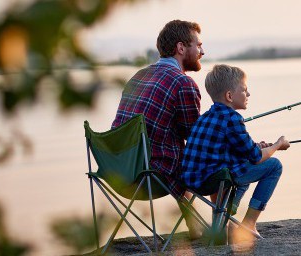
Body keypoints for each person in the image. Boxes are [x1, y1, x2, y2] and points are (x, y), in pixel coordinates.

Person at [111, 20, 205, 238]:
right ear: (181, 48)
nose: (202, 51)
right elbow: (194, 138)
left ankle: (195, 226)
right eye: (198, 45)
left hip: (118, 170)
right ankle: (215, 228)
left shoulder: (138, 76)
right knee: (206, 156)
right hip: (150, 176)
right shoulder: (183, 83)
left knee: (176, 153)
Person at [181, 64, 290, 239]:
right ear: (230, 96)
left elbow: (230, 146)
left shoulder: (204, 117)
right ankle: (248, 224)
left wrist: (257, 145)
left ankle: (225, 221)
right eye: (245, 90)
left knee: (241, 163)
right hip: (215, 180)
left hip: (192, 181)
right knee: (274, 166)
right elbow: (255, 157)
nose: (248, 94)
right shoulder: (232, 118)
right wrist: (277, 144)